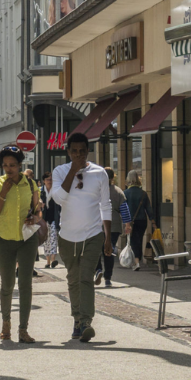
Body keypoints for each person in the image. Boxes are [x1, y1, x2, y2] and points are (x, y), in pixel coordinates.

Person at [50, 133, 113, 343]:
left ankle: (86, 321)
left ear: (88, 151)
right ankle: (76, 319)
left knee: (85, 277)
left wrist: (107, 237)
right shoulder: (59, 171)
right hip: (67, 236)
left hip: (93, 234)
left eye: (82, 151)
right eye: (74, 151)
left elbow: (106, 205)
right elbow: (58, 198)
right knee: (73, 278)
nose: (78, 154)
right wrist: (73, 171)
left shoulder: (99, 173)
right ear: (68, 152)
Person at [0, 146, 42, 342]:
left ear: (20, 165)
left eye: (12, 165)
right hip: (3, 240)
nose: (8, 169)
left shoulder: (30, 183)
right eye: (5, 165)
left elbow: (38, 210)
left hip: (27, 240)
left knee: (26, 284)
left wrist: (35, 218)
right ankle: (6, 324)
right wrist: (3, 192)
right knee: (8, 284)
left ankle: (23, 329)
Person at [98, 172, 127, 288]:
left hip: (98, 224)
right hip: (114, 225)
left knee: (97, 250)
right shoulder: (118, 191)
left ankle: (98, 269)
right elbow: (124, 209)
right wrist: (127, 224)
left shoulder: (97, 191)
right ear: (112, 178)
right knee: (109, 251)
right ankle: (108, 278)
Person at [123, 172, 151, 270]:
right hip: (142, 220)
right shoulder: (143, 193)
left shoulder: (125, 193)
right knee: (139, 239)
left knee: (134, 240)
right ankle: (137, 260)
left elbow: (122, 209)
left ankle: (136, 262)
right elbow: (148, 208)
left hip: (130, 221)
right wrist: (153, 220)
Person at [41, 172, 60, 269]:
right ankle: (47, 261)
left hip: (54, 218)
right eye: (48, 180)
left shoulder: (56, 191)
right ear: (44, 181)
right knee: (46, 240)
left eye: (51, 180)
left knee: (53, 238)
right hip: (44, 219)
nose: (49, 181)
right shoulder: (41, 192)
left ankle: (53, 260)